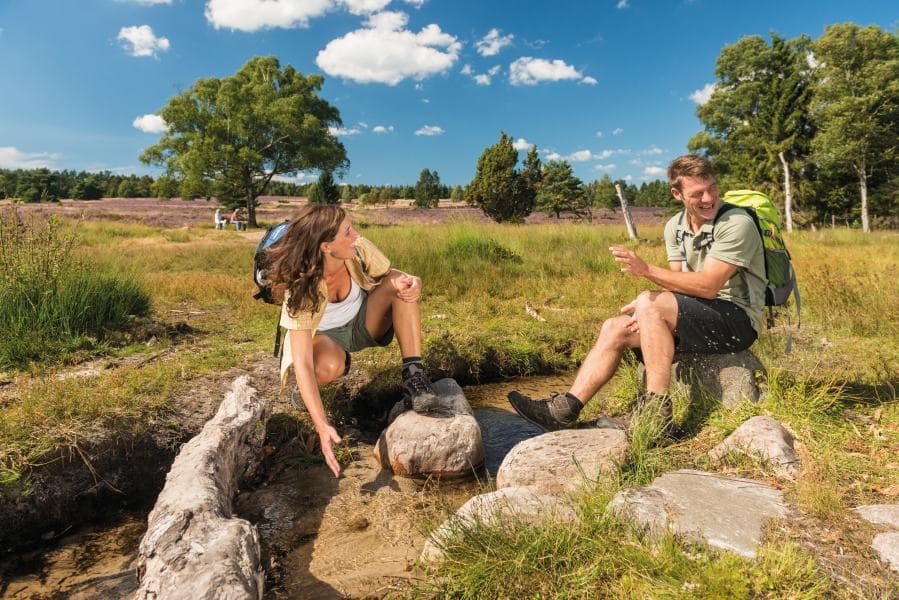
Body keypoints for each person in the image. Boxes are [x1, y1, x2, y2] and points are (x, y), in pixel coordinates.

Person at [508, 154, 766, 434]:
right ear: (677, 194)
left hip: (737, 322)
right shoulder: (674, 227)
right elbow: (676, 284)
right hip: (700, 316)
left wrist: (646, 275)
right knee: (615, 327)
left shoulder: (736, 223)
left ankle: (656, 415)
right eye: (697, 194)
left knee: (649, 305)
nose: (708, 198)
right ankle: (564, 410)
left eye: (712, 188)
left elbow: (708, 286)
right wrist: (646, 310)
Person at [266, 204, 439, 477]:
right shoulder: (299, 289)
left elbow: (390, 275)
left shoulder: (358, 249)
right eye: (347, 232)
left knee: (401, 288)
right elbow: (301, 362)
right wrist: (322, 426)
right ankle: (310, 387)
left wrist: (412, 280)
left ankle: (414, 377)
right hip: (325, 338)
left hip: (363, 322)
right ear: (325, 246)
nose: (356, 234)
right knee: (325, 368)